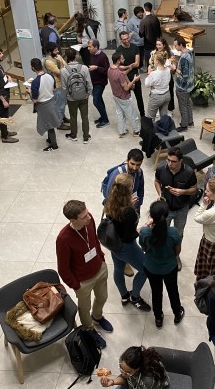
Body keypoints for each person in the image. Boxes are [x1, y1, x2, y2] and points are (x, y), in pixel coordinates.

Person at [56, 200, 112, 349]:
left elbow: (94, 240)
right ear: (73, 220)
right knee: (84, 309)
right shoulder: (63, 239)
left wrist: (101, 257)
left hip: (99, 269)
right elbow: (63, 268)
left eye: (87, 213)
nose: (88, 217)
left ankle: (98, 317)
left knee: (103, 297)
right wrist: (76, 285)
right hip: (83, 282)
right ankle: (89, 329)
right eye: (83, 217)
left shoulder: (90, 220)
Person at [104, 174, 152, 312]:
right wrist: (142, 227)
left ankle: (124, 296)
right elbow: (129, 235)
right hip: (127, 247)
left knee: (118, 269)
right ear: (128, 190)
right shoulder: (129, 212)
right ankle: (135, 298)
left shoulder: (110, 203)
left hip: (114, 245)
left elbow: (118, 224)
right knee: (145, 270)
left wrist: (129, 205)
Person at [139, 200, 184, 328]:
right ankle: (177, 314)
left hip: (151, 268)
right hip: (169, 268)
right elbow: (177, 252)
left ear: (151, 216)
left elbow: (144, 248)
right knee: (173, 291)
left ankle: (158, 318)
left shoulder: (145, 232)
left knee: (156, 292)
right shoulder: (174, 232)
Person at [154, 146, 198, 270]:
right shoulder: (161, 169)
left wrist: (182, 192)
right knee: (163, 232)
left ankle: (175, 255)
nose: (169, 163)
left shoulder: (189, 172)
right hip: (165, 208)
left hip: (181, 209)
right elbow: (157, 181)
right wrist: (160, 194)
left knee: (178, 234)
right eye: (168, 160)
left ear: (180, 161)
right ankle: (163, 254)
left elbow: (195, 189)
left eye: (173, 161)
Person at [27, 58, 60, 152]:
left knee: (49, 125)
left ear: (33, 68)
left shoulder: (35, 82)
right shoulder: (50, 75)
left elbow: (35, 100)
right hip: (51, 102)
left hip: (43, 105)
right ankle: (50, 139)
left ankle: (54, 145)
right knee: (50, 122)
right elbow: (54, 89)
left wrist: (29, 92)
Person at [61, 48, 92, 143]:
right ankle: (86, 137)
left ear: (66, 57)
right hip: (84, 97)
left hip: (71, 98)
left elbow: (64, 87)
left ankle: (73, 135)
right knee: (85, 116)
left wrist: (68, 96)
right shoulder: (84, 68)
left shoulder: (63, 70)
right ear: (76, 56)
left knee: (73, 117)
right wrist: (87, 94)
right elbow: (89, 84)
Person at [100, 346, 170, 389]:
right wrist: (112, 382)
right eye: (121, 368)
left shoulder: (147, 381)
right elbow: (126, 378)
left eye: (128, 372)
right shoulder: (123, 360)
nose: (123, 374)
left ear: (138, 369)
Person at [108, 52, 141, 138]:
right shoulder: (119, 74)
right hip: (124, 98)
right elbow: (126, 88)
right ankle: (137, 131)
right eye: (122, 59)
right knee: (132, 115)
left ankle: (121, 131)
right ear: (118, 61)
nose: (124, 60)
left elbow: (121, 74)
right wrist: (134, 80)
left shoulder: (110, 69)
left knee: (120, 114)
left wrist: (129, 69)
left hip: (116, 96)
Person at [103, 148, 146, 212]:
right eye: (132, 164)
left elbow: (141, 190)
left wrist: (138, 205)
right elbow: (110, 197)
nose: (135, 168)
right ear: (127, 160)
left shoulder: (139, 172)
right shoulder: (117, 174)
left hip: (133, 207)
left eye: (138, 165)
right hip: (117, 209)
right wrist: (128, 205)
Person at [117, 31, 145, 117]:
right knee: (126, 99)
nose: (126, 40)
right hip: (124, 78)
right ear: (120, 40)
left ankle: (142, 115)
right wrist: (129, 66)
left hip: (135, 76)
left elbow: (137, 63)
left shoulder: (135, 47)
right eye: (124, 39)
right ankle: (130, 115)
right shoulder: (119, 50)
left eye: (127, 38)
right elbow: (118, 66)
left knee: (139, 98)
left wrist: (126, 66)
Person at [43, 42, 69, 130]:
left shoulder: (57, 57)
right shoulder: (48, 61)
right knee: (59, 105)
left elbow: (67, 67)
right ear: (50, 52)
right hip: (57, 86)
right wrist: (61, 62)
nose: (58, 52)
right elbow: (60, 72)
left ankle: (62, 117)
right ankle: (59, 123)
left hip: (62, 83)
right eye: (55, 50)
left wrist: (61, 61)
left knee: (63, 103)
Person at [172, 36, 194, 132]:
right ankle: (190, 121)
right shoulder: (189, 53)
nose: (175, 47)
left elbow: (184, 75)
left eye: (176, 45)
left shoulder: (184, 57)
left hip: (183, 86)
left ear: (181, 45)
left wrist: (174, 69)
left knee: (182, 105)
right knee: (187, 103)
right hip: (189, 85)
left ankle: (184, 125)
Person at [87, 39, 111, 128]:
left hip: (100, 82)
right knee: (99, 100)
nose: (88, 48)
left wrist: (97, 68)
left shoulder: (103, 56)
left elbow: (107, 70)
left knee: (96, 101)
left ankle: (105, 120)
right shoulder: (92, 54)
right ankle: (103, 117)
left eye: (90, 47)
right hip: (93, 81)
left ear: (96, 47)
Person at [147, 37, 174, 114]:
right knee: (157, 92)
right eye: (157, 44)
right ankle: (160, 109)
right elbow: (151, 64)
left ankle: (170, 110)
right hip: (157, 76)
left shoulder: (169, 53)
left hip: (166, 75)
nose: (158, 46)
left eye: (160, 45)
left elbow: (172, 65)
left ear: (164, 45)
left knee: (169, 92)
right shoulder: (154, 53)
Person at [144, 52, 171, 120]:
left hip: (156, 97)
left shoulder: (154, 73)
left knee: (150, 118)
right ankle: (163, 129)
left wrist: (148, 73)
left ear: (157, 62)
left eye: (155, 59)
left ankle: (152, 130)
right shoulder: (168, 70)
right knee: (164, 117)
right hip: (167, 94)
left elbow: (147, 84)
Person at [139, 2, 162, 68]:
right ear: (151, 9)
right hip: (156, 44)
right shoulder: (156, 19)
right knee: (158, 63)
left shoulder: (143, 21)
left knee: (150, 64)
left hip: (147, 46)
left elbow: (141, 35)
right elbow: (159, 32)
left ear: (144, 9)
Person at [127, 6, 145, 71]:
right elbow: (129, 32)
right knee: (136, 56)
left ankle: (141, 67)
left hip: (142, 42)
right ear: (135, 13)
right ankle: (136, 68)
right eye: (139, 13)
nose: (141, 14)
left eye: (142, 12)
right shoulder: (131, 21)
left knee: (142, 55)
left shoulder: (143, 19)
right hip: (135, 43)